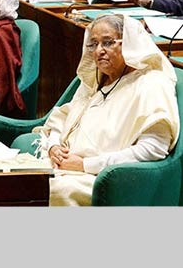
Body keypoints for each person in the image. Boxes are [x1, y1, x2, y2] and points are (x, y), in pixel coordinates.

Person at [34, 14, 179, 206]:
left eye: (108, 43)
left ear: (128, 43)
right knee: (18, 178)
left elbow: (153, 149)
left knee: (49, 190)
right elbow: (63, 119)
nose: (98, 51)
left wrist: (85, 165)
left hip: (101, 178)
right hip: (64, 166)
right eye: (93, 44)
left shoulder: (152, 83)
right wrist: (53, 146)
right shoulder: (97, 79)